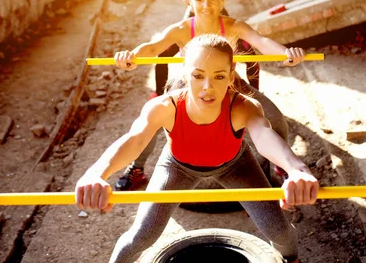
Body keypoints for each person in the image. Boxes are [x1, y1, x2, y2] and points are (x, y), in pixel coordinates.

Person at [76, 34, 319, 263]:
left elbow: (264, 135)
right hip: (177, 167)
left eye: (219, 76)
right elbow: (135, 140)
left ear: (232, 74)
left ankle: (291, 260)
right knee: (141, 237)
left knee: (282, 234)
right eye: (198, 75)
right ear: (184, 71)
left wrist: (296, 170)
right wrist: (96, 174)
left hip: (236, 165)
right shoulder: (164, 107)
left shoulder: (244, 106)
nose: (208, 88)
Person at [112, 0, 305, 191]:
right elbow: (154, 47)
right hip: (188, 84)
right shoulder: (183, 29)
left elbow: (261, 41)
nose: (206, 6)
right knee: (153, 120)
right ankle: (136, 168)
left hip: (227, 81)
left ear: (222, 0)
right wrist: (132, 56)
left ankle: (282, 166)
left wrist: (286, 53)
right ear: (189, 1)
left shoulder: (233, 26)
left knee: (275, 118)